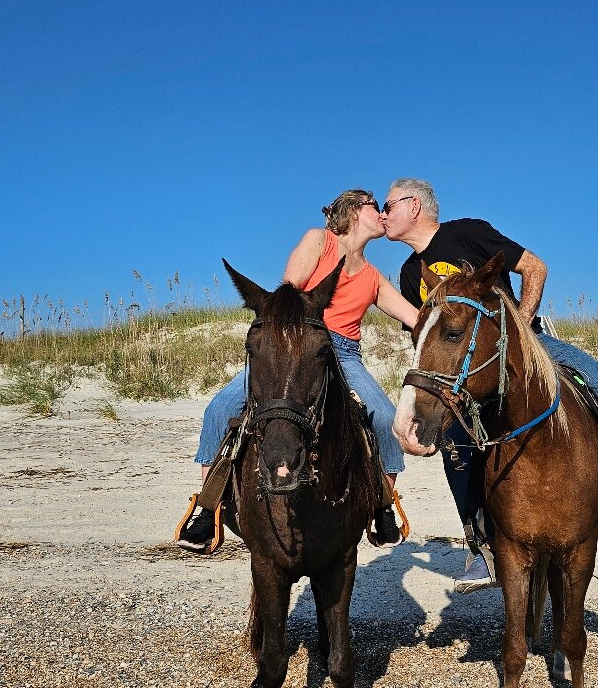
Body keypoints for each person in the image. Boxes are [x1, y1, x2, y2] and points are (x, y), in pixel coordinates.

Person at [383, 177, 598, 593]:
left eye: (388, 205)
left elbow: (535, 267)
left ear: (414, 206)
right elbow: (428, 338)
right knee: (457, 444)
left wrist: (522, 328)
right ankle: (481, 549)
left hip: (525, 344)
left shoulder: (467, 233)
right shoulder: (410, 275)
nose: (383, 215)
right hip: (469, 367)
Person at [177, 189, 420, 553]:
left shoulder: (373, 277)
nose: (384, 214)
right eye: (377, 207)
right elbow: (287, 294)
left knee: (385, 418)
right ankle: (208, 507)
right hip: (294, 345)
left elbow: (415, 318)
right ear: (354, 211)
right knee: (220, 408)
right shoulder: (319, 241)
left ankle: (381, 506)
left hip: (345, 356)